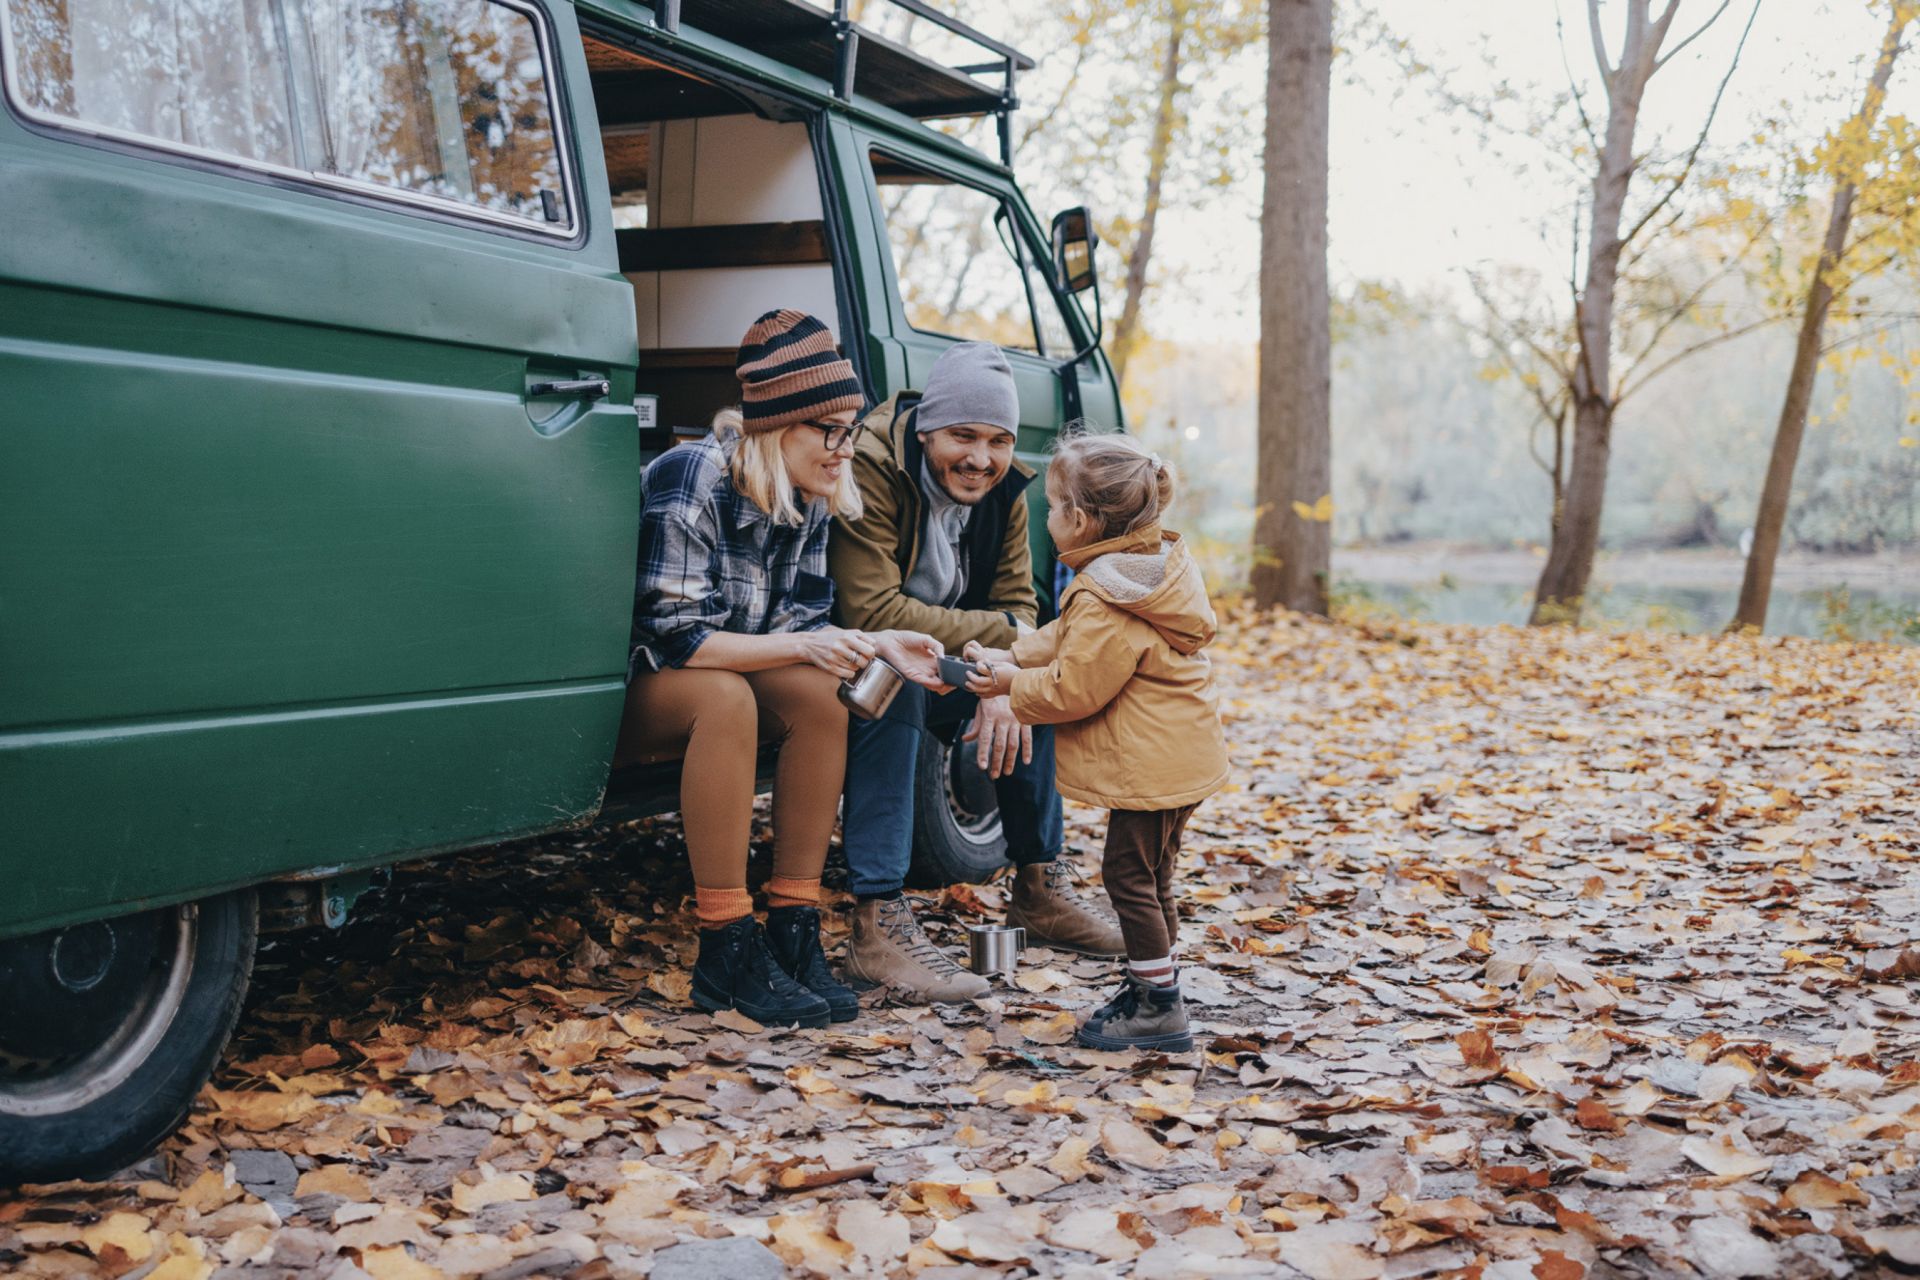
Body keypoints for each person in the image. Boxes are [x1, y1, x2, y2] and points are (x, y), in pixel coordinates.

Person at [622, 309, 947, 1028]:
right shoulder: (694, 476)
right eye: (829, 430)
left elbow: (801, 628)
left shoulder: (811, 495)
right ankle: (725, 941)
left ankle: (791, 927)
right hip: (644, 690)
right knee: (728, 699)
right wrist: (808, 645)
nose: (844, 449)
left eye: (851, 429)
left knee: (821, 700)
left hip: (724, 674)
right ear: (776, 426)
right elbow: (677, 638)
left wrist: (880, 644)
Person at [829, 342, 1125, 1004]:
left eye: (997, 440)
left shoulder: (1005, 487)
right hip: (850, 655)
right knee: (891, 672)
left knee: (1037, 686)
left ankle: (1039, 891)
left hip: (946, 657)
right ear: (929, 427)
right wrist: (1006, 646)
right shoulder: (873, 466)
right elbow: (872, 608)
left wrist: (1002, 677)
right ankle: (877, 920)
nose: (980, 458)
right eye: (963, 436)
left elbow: (1020, 604)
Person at [964, 431, 1229, 1051]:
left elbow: (1072, 688)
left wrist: (1008, 683)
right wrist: (1013, 651)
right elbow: (1066, 638)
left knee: (1127, 878)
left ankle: (1159, 1007)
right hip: (1180, 753)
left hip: (1154, 764)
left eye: (1054, 507)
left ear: (1080, 520)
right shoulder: (1137, 570)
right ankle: (1153, 981)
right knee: (1152, 874)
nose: (1048, 517)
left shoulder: (1105, 594)